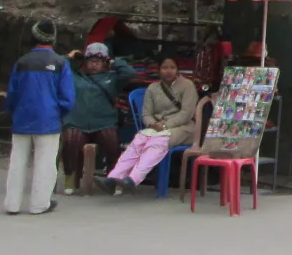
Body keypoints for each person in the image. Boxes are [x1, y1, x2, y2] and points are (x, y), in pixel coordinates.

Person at [2, 20, 74, 215]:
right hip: (48, 120)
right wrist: (58, 112)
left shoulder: (22, 62)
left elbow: (12, 94)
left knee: (17, 161)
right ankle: (39, 204)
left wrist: (13, 112)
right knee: (45, 163)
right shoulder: (61, 63)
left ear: (33, 38)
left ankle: (12, 204)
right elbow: (68, 98)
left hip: (22, 118)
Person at [100, 57, 198, 194]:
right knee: (138, 141)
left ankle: (133, 179)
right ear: (158, 70)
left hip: (183, 128)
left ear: (177, 70)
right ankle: (114, 177)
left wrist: (166, 125)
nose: (168, 71)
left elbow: (186, 113)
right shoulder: (153, 88)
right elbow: (146, 114)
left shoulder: (187, 86)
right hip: (157, 127)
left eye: (172, 67)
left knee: (157, 142)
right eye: (164, 67)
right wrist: (152, 123)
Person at [60, 42, 131, 194]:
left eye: (98, 61)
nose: (93, 64)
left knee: (112, 142)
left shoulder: (112, 78)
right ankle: (71, 177)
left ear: (104, 63)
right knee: (70, 140)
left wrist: (112, 61)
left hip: (104, 122)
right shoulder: (75, 77)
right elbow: (58, 67)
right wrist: (70, 56)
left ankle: (113, 178)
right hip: (77, 122)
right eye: (90, 61)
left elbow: (129, 73)